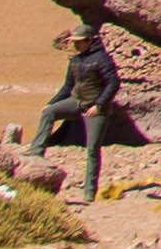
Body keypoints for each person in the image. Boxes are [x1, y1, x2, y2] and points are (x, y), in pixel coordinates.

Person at [35, 18, 127, 202]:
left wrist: (99, 105)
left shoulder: (102, 59)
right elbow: (67, 86)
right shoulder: (75, 61)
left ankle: (89, 194)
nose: (75, 46)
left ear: (89, 41)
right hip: (76, 102)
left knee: (92, 149)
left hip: (96, 109)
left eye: (78, 42)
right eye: (73, 42)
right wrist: (52, 102)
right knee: (48, 113)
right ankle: (36, 152)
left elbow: (113, 83)